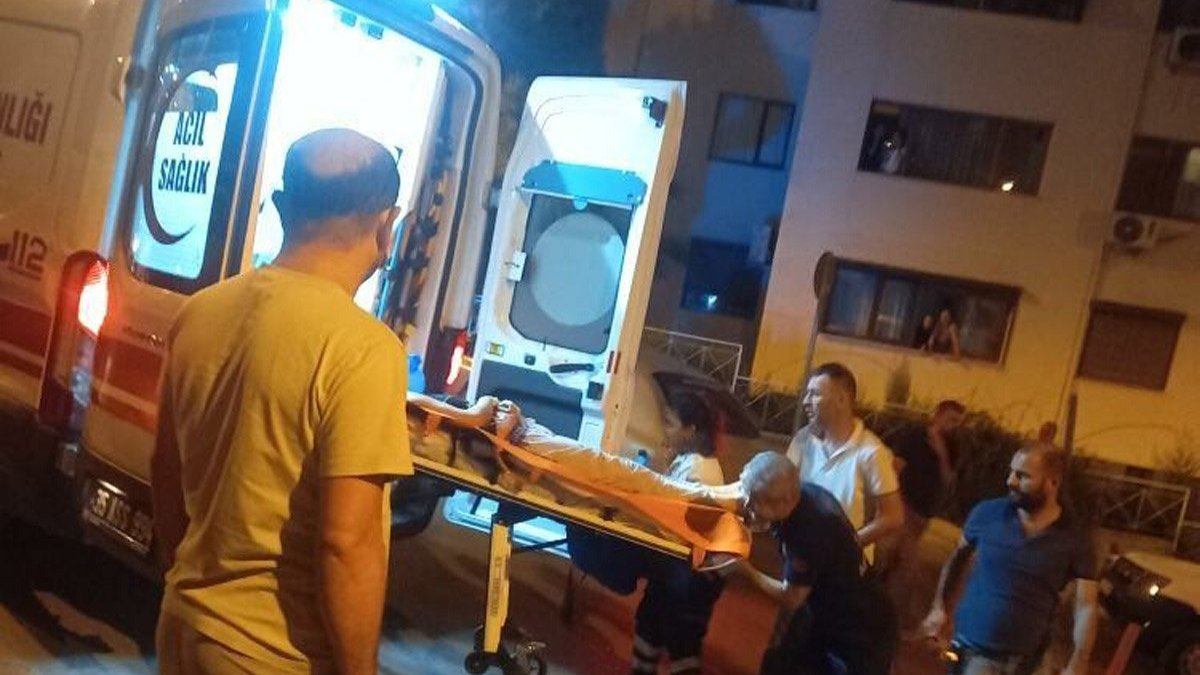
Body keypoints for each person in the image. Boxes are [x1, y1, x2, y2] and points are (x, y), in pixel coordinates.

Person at [151, 129, 412, 675]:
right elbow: (346, 544)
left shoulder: (200, 312)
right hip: (273, 654)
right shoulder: (364, 350)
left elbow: (166, 476)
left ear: (280, 207)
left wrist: (195, 589)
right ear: (387, 225)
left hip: (183, 627)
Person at [919, 443, 1099, 675]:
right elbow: (957, 559)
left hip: (1029, 659)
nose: (1010, 481)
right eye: (1011, 472)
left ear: (1052, 483)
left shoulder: (1074, 537)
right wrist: (939, 608)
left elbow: (1085, 605)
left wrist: (1079, 662)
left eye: (1022, 476)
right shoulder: (988, 513)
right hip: (974, 650)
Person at [738, 452, 898, 675]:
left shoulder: (807, 532)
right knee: (779, 664)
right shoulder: (804, 492)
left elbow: (791, 598)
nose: (747, 505)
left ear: (784, 501)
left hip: (859, 628)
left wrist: (744, 570)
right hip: (823, 607)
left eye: (755, 500)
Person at [632, 391, 728, 675]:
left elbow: (682, 525)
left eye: (671, 423)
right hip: (678, 567)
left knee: (681, 642)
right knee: (650, 624)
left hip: (694, 575)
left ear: (691, 430)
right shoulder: (689, 461)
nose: (665, 430)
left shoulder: (700, 471)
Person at [786, 362, 903, 561]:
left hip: (844, 566)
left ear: (841, 399)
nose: (805, 401)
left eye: (815, 394)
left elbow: (893, 516)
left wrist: (848, 545)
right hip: (801, 556)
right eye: (807, 394)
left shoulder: (871, 452)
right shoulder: (803, 440)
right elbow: (784, 487)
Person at [878, 400, 967, 628]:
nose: (954, 426)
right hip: (904, 505)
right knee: (895, 558)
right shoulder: (914, 436)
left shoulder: (952, 446)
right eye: (951, 419)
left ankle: (885, 614)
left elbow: (948, 481)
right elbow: (896, 466)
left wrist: (941, 453)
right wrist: (891, 499)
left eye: (958, 422)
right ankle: (887, 614)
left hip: (923, 513)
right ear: (937, 415)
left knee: (899, 564)